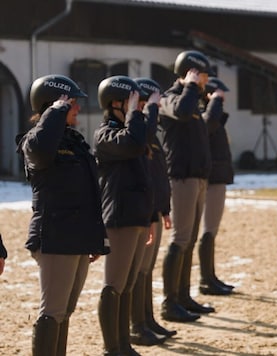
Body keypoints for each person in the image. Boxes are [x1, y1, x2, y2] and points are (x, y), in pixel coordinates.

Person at [17, 74, 109, 355]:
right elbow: (41, 150)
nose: (77, 108)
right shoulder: (35, 141)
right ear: (52, 105)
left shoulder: (75, 142)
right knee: (53, 312)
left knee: (65, 312)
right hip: (55, 237)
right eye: (71, 103)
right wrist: (56, 111)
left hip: (78, 237)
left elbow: (91, 192)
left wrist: (94, 238)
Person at [94, 75, 160, 355]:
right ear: (115, 103)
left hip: (137, 216)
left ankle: (123, 344)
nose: (137, 107)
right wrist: (136, 113)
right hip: (119, 217)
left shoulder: (132, 131)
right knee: (114, 284)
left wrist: (149, 218)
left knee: (127, 285)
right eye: (131, 101)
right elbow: (133, 143)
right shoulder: (106, 134)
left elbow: (144, 139)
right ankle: (112, 348)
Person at [158, 49, 214, 322]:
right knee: (180, 239)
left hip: (198, 177)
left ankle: (183, 296)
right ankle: (169, 303)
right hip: (181, 178)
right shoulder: (170, 98)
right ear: (191, 73)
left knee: (190, 239)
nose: (206, 79)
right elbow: (180, 112)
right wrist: (190, 86)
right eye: (202, 74)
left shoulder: (194, 100)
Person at [129, 77, 177, 345]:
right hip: (142, 212)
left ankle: (146, 319)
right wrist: (149, 111)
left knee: (147, 269)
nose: (156, 107)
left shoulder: (151, 135)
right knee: (139, 270)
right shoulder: (138, 131)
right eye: (152, 103)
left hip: (154, 210)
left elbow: (158, 176)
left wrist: (164, 208)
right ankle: (137, 324)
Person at [198, 77, 235, 296]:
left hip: (217, 177)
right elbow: (208, 125)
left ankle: (210, 276)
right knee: (208, 230)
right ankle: (206, 279)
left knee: (211, 231)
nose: (223, 99)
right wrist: (215, 103)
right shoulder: (205, 113)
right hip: (212, 178)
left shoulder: (212, 114)